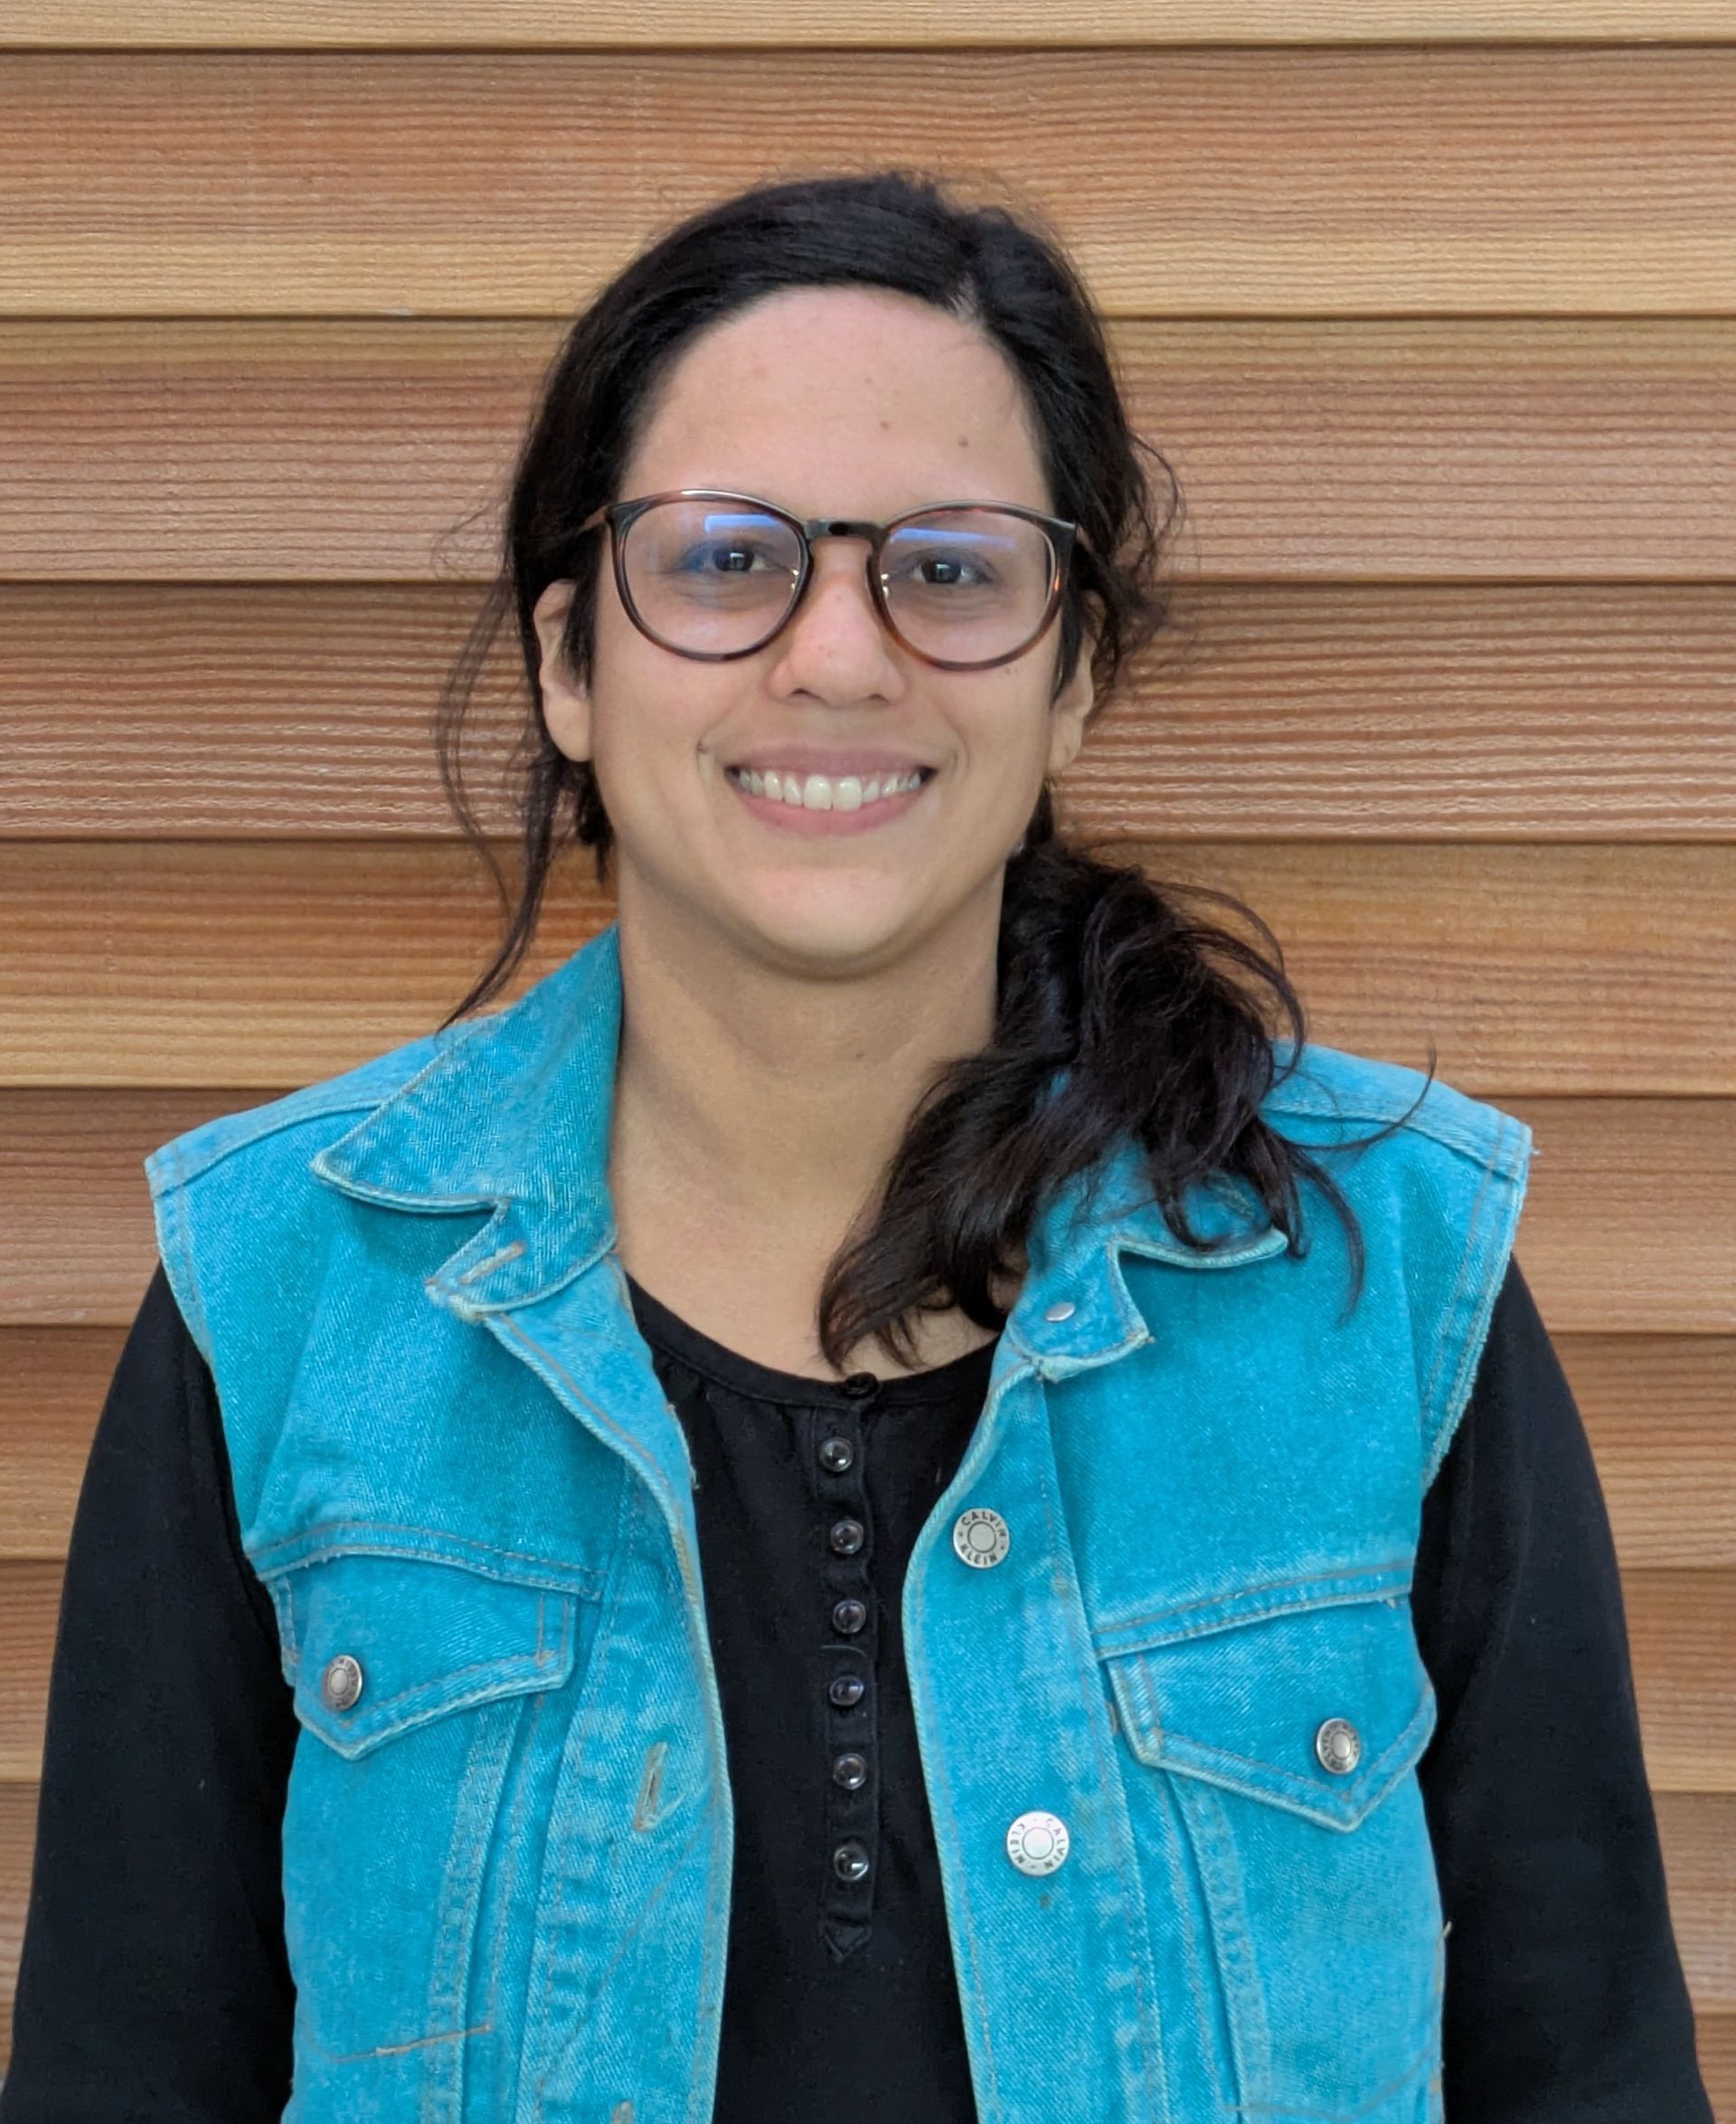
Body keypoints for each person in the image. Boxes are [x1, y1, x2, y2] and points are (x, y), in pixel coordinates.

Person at [0, 170, 1712, 2122]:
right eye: (725, 561)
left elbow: (1594, 2074)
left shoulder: (1382, 1270)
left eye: (952, 567)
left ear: (1071, 670)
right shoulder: (288, 1292)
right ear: (572, 659)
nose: (838, 655)